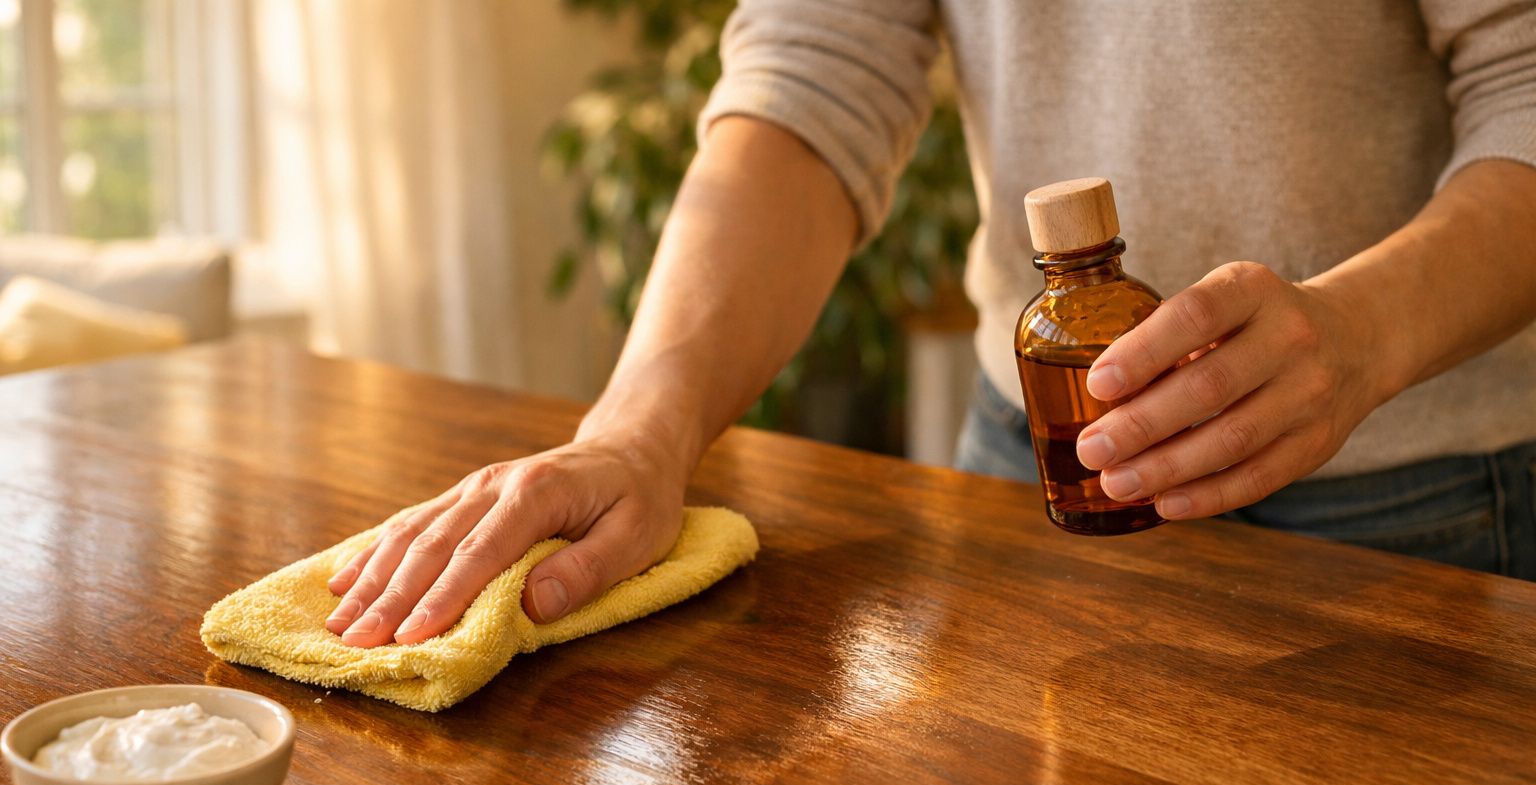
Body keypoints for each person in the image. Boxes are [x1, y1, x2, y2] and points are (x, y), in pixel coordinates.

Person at [324, 0, 1536, 648]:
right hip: (1036, 466)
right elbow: (813, 74)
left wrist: (1362, 333)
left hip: (1413, 496)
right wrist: (635, 431)